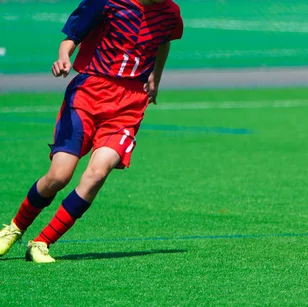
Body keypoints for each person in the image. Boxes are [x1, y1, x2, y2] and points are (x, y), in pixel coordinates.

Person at [0, 0, 183, 263]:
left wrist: (156, 76)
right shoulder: (106, 2)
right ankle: (14, 228)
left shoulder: (170, 12)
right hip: (88, 93)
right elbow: (71, 38)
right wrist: (64, 58)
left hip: (129, 103)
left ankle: (41, 243)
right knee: (59, 175)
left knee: (98, 174)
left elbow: (164, 41)